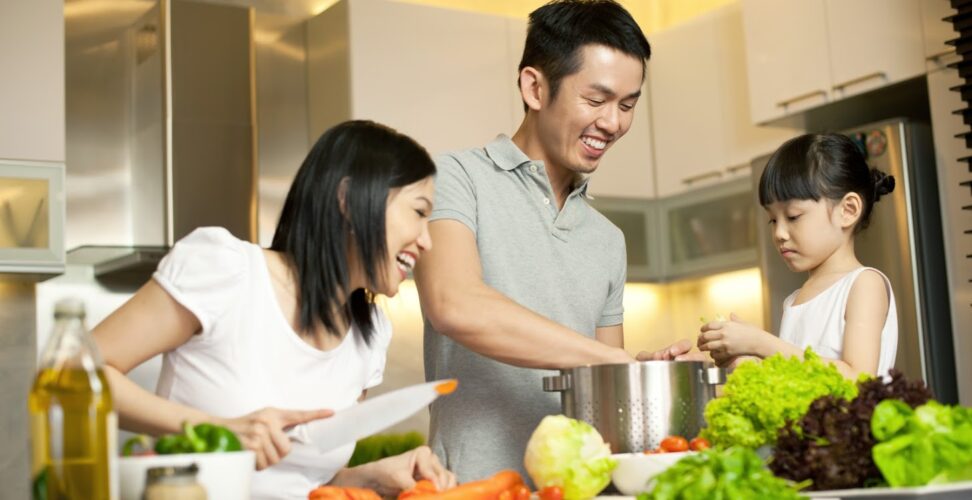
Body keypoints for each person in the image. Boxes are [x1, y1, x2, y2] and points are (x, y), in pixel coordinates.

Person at [93, 120, 456, 499]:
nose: (427, 240)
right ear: (348, 199)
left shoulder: (370, 336)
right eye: (419, 212)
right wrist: (220, 430)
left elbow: (298, 481)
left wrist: (369, 475)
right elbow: (72, 373)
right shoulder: (226, 271)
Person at [413, 0, 690, 483]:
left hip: (579, 490)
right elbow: (454, 303)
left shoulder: (609, 239)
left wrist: (633, 372)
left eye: (627, 105)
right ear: (534, 87)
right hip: (471, 488)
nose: (613, 123)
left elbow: (600, 390)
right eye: (596, 99)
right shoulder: (455, 178)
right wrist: (609, 358)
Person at [697, 133, 899, 379]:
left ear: (848, 210)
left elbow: (857, 378)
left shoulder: (864, 284)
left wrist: (761, 343)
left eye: (793, 216)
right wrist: (746, 359)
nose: (779, 233)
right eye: (773, 219)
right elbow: (798, 376)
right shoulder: (795, 300)